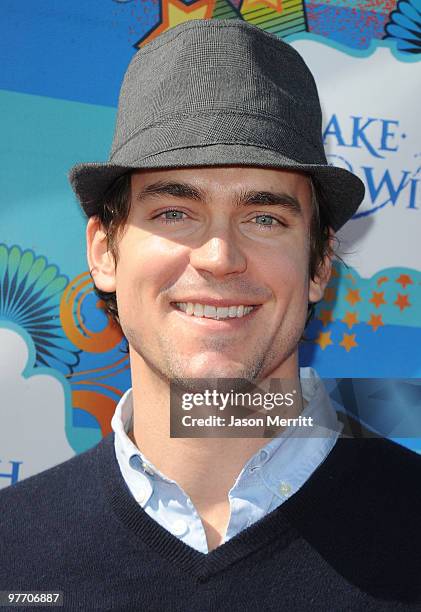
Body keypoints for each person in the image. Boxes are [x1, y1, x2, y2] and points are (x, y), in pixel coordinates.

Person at [1, 18, 420, 611]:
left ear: (321, 264)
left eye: (264, 217)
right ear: (104, 253)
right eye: (175, 212)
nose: (220, 257)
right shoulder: (11, 550)